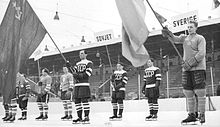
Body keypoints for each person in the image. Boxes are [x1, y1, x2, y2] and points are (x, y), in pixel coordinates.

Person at [162, 20, 206, 124]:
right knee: (188, 92)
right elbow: (174, 39)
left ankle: (202, 114)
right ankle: (191, 115)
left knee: (200, 92)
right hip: (187, 70)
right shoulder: (184, 38)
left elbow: (201, 53)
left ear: (196, 27)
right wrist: (168, 33)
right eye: (188, 27)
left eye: (191, 27)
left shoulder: (200, 38)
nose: (189, 28)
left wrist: (190, 63)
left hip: (198, 68)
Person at [66, 50, 93, 124]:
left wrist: (78, 76)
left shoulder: (89, 63)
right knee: (77, 101)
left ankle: (86, 117)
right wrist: (69, 66)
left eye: (82, 53)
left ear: (86, 54)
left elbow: (88, 73)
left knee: (84, 100)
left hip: (84, 84)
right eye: (80, 54)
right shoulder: (77, 64)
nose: (80, 55)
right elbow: (73, 71)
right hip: (77, 85)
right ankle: (79, 117)